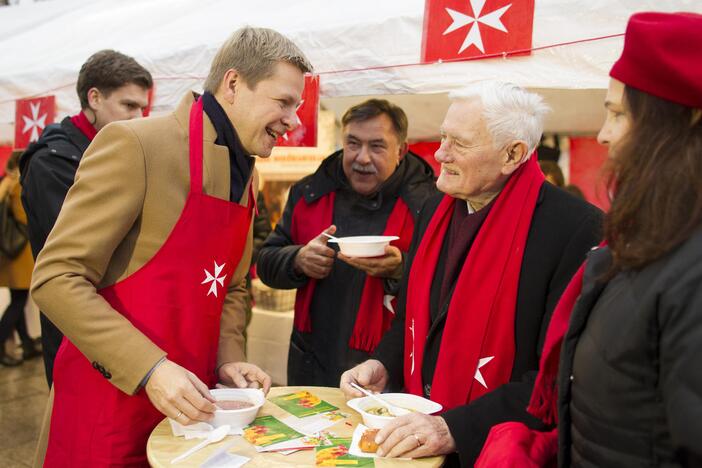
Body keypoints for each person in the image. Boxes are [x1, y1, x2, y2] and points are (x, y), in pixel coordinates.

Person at [30, 27, 311, 466]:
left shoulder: (246, 173)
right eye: (284, 102)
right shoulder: (137, 145)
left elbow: (231, 286)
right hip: (110, 407)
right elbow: (55, 279)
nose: (294, 120)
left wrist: (228, 360)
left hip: (191, 411)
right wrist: (151, 369)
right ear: (233, 84)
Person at [476, 11, 702, 468]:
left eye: (619, 114)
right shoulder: (643, 240)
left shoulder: (690, 265)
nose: (603, 135)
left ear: (680, 126)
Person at [340, 82, 603, 466]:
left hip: (494, 449)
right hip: (417, 440)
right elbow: (414, 318)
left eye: (458, 143)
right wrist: (382, 364)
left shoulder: (575, 227)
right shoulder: (435, 208)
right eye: (443, 137)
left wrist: (454, 427)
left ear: (512, 154)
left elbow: (559, 375)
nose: (441, 153)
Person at [257, 99, 436, 386]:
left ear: (400, 151)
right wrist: (297, 259)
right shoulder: (309, 193)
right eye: (353, 144)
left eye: (377, 146)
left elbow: (447, 285)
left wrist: (401, 268)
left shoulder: (428, 205)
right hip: (312, 360)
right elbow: (266, 261)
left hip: (386, 369)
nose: (362, 158)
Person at [19, 49, 153, 386]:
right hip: (75, 321)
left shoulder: (114, 151)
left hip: (121, 316)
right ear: (94, 98)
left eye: (142, 107)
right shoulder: (52, 162)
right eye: (128, 106)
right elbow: (80, 251)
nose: (138, 117)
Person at [0, 151, 39, 366]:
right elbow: (24, 216)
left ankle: (27, 344)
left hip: (9, 254)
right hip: (19, 254)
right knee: (18, 301)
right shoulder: (17, 185)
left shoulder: (5, 183)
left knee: (18, 299)